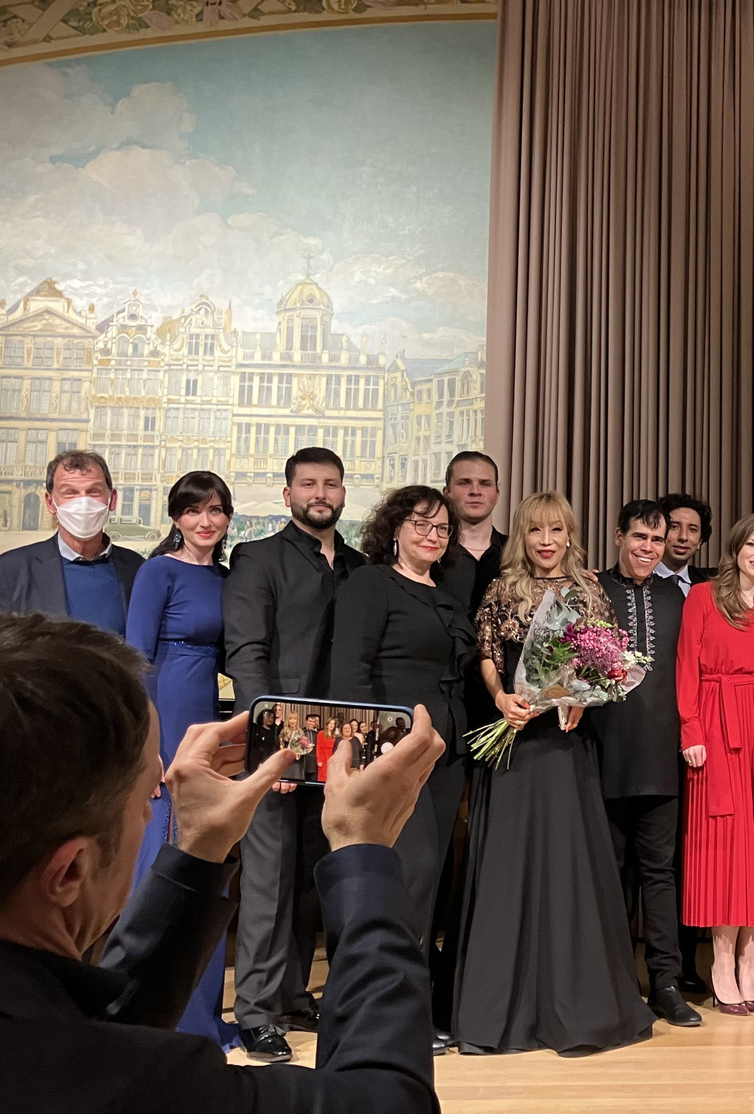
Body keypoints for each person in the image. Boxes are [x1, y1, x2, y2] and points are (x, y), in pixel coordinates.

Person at [0, 614, 446, 1114]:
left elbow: (86, 1035)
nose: (158, 808)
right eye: (150, 797)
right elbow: (384, 1108)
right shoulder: (119, 1108)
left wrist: (200, 847)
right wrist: (363, 854)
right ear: (70, 872)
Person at [452, 491, 654, 1055]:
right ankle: (500, 1012)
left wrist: (581, 698)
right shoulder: (501, 588)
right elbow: (487, 652)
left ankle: (578, 1001)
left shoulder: (590, 591)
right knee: (509, 868)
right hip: (515, 743)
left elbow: (609, 663)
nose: (547, 541)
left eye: (556, 530)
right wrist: (500, 698)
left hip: (566, 746)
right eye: (536, 531)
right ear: (523, 535)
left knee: (568, 866)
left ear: (570, 534)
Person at [221, 446, 367, 1062]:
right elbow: (246, 654)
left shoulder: (361, 567)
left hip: (340, 747)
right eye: (309, 484)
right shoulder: (257, 558)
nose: (321, 494)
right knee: (268, 877)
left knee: (313, 876)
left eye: (331, 484)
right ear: (287, 494)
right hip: (281, 743)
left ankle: (288, 992)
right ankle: (254, 1010)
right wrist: (270, 746)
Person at [331, 484, 474, 1046]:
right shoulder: (370, 584)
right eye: (421, 523)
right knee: (405, 878)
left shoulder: (445, 592)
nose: (432, 535)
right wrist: (369, 751)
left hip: (446, 754)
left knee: (429, 881)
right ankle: (390, 1010)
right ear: (394, 527)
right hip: (393, 754)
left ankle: (408, 1004)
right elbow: (350, 674)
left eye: (442, 528)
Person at [123, 469, 236, 1048]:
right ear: (176, 518)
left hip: (208, 723)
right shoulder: (157, 571)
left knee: (206, 862)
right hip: (167, 718)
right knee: (164, 861)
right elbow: (136, 658)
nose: (205, 521)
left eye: (216, 510)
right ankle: (154, 1015)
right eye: (194, 511)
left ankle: (202, 1015)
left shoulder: (226, 576)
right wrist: (151, 746)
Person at [590, 499, 702, 1027]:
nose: (648, 549)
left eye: (657, 541)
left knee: (660, 874)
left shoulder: (680, 597)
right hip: (603, 754)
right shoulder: (593, 590)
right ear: (618, 536)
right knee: (610, 875)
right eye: (640, 537)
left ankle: (665, 981)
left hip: (662, 757)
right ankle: (614, 981)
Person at [677, 513, 754, 1015]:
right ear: (735, 547)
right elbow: (685, 664)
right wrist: (690, 729)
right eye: (753, 543)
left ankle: (750, 961)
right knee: (723, 847)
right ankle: (721, 960)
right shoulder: (703, 596)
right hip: (715, 725)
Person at [0, 450, 144, 633]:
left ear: (112, 499)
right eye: (70, 493)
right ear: (50, 503)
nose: (83, 502)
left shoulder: (137, 570)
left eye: (94, 491)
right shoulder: (8, 572)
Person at [436, 450, 507, 732]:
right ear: (447, 492)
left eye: (484, 484)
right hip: (443, 698)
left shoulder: (519, 556)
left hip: (503, 701)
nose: (475, 491)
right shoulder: (428, 556)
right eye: (465, 482)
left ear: (497, 493)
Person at [654, 492, 712, 597]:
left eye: (692, 529)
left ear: (700, 541)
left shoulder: (711, 583)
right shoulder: (638, 580)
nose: (683, 537)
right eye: (674, 527)